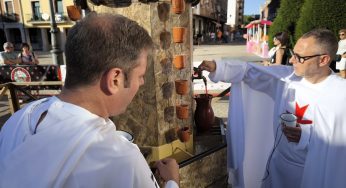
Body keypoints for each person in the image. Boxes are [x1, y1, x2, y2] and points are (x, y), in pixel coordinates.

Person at [0, 13, 179, 188]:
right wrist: (172, 180)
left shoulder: (18, 120)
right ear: (115, 79)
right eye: (140, 75)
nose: (142, 82)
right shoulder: (121, 158)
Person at [199, 28, 346, 188]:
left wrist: (306, 137)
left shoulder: (340, 95)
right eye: (292, 53)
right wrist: (217, 67)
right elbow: (250, 72)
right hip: (277, 166)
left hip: (311, 175)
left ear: (323, 60)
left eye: (299, 57)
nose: (291, 61)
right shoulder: (287, 78)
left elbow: (339, 148)